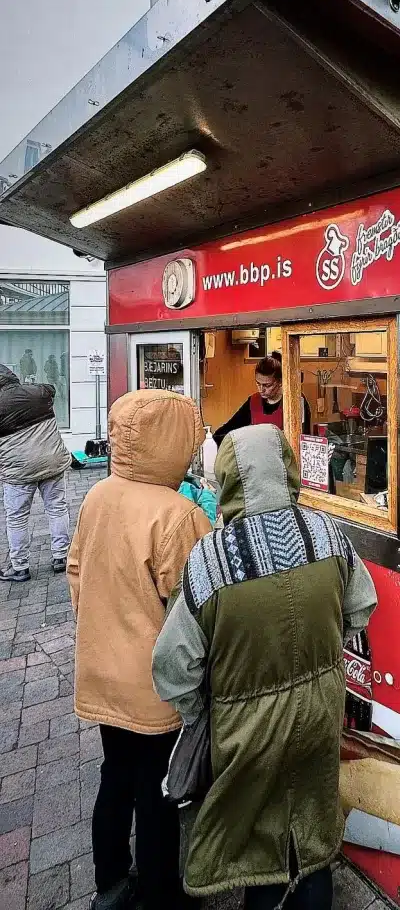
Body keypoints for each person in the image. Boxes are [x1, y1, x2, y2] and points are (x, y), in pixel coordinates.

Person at [152, 423, 378, 908]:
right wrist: (322, 653)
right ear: (288, 470)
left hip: (244, 728)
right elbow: (362, 608)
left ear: (227, 478)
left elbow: (172, 667)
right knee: (313, 835)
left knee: (258, 844)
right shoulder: (327, 533)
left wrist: (203, 709)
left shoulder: (210, 560)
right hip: (320, 712)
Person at [68, 389, 212, 909]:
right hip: (154, 686)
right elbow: (198, 606)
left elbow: (76, 574)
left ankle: (109, 880)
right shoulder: (178, 515)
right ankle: (160, 893)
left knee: (115, 775)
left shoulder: (97, 495)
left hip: (101, 671)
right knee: (158, 791)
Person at [0, 363, 72, 582]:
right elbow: (51, 389)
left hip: (18, 470)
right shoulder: (38, 392)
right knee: (57, 508)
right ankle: (62, 556)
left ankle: (20, 566)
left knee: (17, 518)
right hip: (51, 461)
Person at [213, 351, 310, 448]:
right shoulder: (253, 401)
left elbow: (304, 438)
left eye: (267, 385)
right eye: (258, 383)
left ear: (280, 382)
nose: (261, 390)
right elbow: (227, 430)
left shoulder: (295, 400)